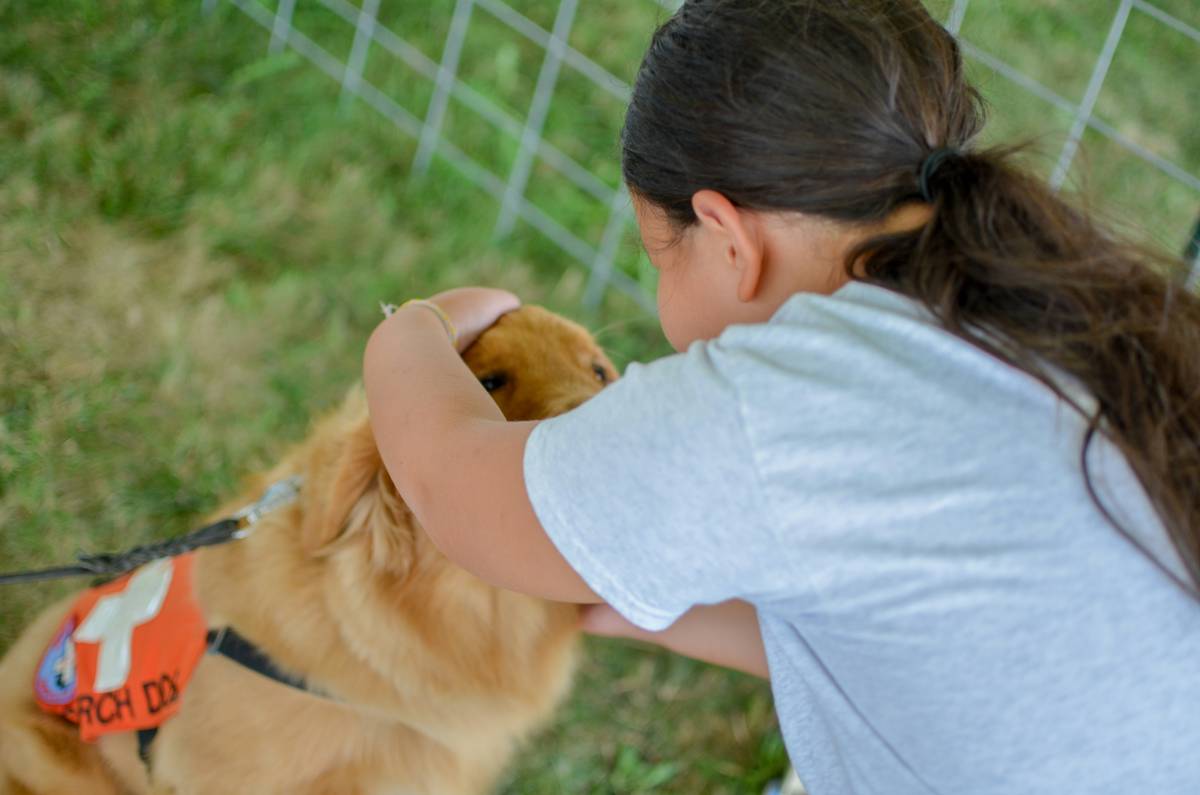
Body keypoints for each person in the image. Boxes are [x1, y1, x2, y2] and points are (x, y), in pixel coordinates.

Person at [362, 1, 1200, 792]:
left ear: (727, 237)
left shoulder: (786, 405)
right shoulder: (1036, 313)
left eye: (661, 259)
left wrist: (416, 327)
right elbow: (894, 636)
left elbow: (452, 485)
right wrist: (642, 598)